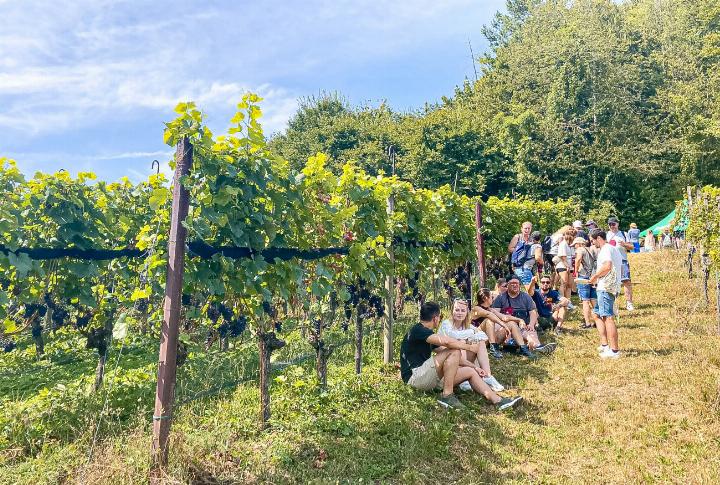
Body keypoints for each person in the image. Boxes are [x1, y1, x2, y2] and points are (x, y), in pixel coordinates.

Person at [400, 301, 523, 410]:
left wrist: (475, 367)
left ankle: (498, 401)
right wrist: (469, 347)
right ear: (435, 318)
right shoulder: (417, 330)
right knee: (454, 349)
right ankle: (447, 395)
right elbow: (447, 343)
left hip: (427, 378)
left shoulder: (427, 334)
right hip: (415, 378)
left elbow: (447, 353)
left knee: (469, 371)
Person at [438, 299, 504, 391]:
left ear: (467, 313)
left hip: (463, 358)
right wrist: (470, 333)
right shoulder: (446, 324)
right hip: (448, 360)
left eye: (463, 310)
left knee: (480, 342)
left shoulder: (467, 326)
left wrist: (470, 336)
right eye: (457, 310)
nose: (459, 313)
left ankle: (487, 376)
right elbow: (453, 335)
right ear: (452, 311)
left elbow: (483, 336)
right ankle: (463, 379)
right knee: (461, 341)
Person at [490, 275, 558, 355]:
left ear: (519, 285)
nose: (515, 285)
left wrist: (532, 324)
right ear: (507, 285)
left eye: (517, 283)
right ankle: (521, 344)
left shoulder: (526, 297)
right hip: (507, 326)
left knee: (531, 333)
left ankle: (538, 346)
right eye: (512, 283)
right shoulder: (501, 298)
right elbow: (495, 314)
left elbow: (533, 312)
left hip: (524, 326)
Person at [471, 288, 540, 359]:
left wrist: (519, 320)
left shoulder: (491, 309)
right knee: (489, 320)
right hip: (478, 340)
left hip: (489, 339)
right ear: (486, 298)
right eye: (491, 297)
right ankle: (493, 349)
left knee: (511, 323)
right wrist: (503, 325)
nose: (493, 298)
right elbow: (488, 315)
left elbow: (504, 317)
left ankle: (523, 349)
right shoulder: (476, 309)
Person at [588, 229, 622, 359]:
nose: (592, 243)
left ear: (599, 238)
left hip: (606, 288)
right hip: (607, 286)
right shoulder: (612, 249)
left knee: (608, 317)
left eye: (593, 240)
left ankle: (614, 351)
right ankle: (604, 345)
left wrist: (595, 277)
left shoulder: (606, 249)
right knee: (596, 314)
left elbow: (607, 266)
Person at [606, 217, 635, 311]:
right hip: (611, 262)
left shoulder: (623, 234)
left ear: (617, 224)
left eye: (613, 224)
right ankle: (613, 304)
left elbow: (631, 247)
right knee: (612, 283)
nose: (612, 226)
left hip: (622, 260)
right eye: (610, 224)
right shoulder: (606, 235)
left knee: (626, 281)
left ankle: (629, 303)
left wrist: (624, 244)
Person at [573, 236, 598, 329]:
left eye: (575, 244)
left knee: (585, 301)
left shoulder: (580, 249)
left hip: (583, 276)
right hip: (593, 276)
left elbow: (578, 259)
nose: (574, 247)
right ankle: (597, 321)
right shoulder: (592, 249)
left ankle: (587, 323)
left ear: (579, 243)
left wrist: (575, 271)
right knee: (593, 299)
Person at [554, 227, 576, 304]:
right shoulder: (563, 244)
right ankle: (562, 301)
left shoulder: (572, 245)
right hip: (562, 265)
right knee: (564, 283)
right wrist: (567, 266)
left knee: (570, 284)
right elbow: (562, 257)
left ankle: (568, 301)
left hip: (570, 266)